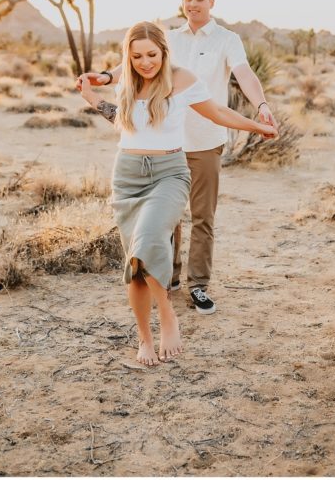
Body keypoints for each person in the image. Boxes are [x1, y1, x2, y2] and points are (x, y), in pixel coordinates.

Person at [77, 22, 276, 367]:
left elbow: (218, 112)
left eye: (151, 54)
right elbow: (124, 121)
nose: (145, 62)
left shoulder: (181, 79)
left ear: (163, 52)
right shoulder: (128, 79)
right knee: (136, 263)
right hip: (127, 177)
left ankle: (167, 315)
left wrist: (258, 125)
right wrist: (94, 98)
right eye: (136, 56)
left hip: (170, 173)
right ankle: (144, 338)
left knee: (152, 238)